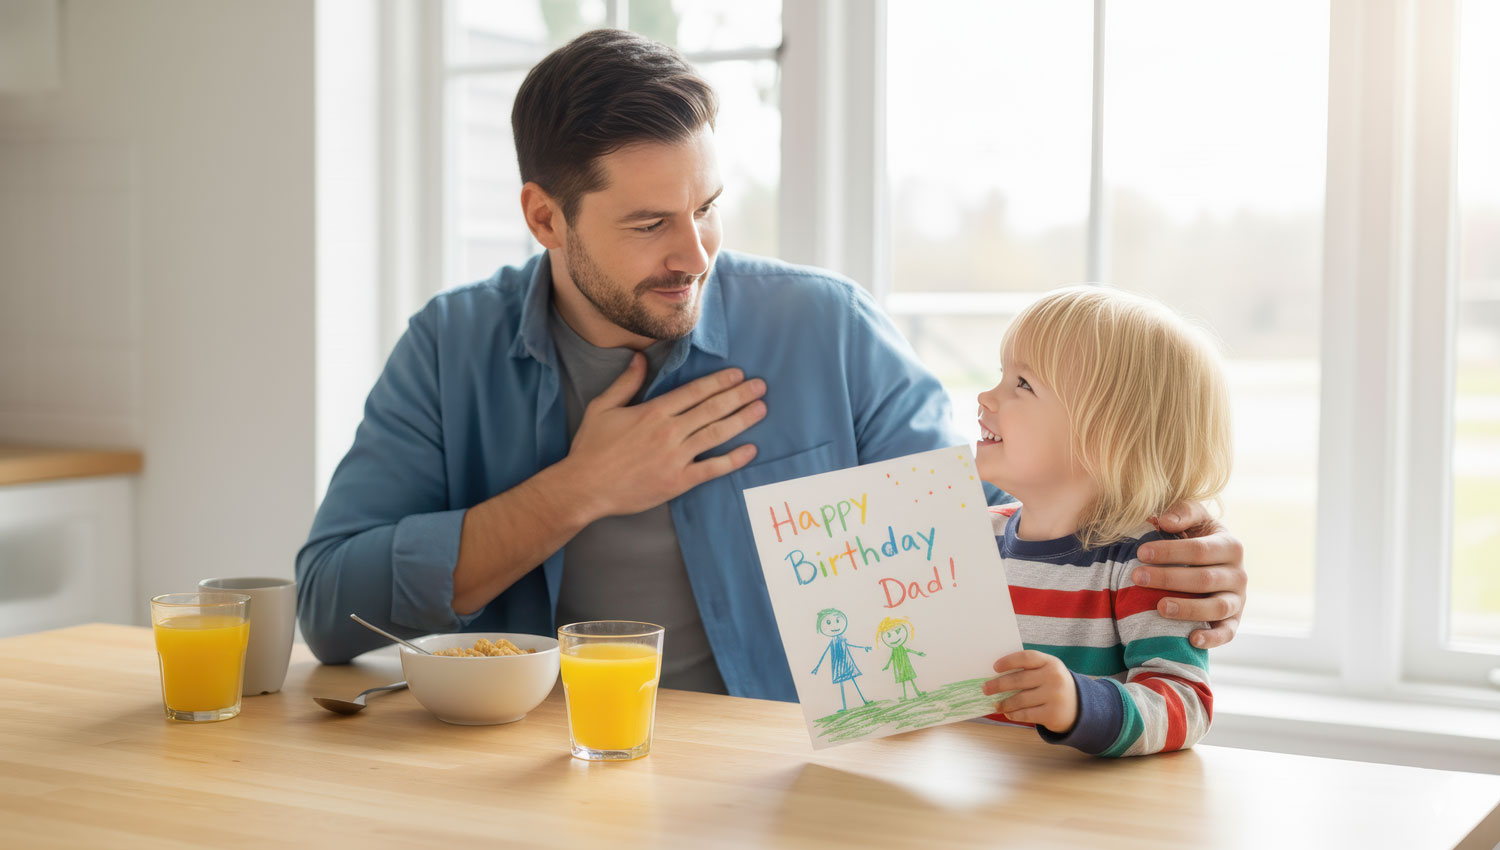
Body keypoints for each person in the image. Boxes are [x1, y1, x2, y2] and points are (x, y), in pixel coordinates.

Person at [295, 29, 1248, 703]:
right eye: (649, 223)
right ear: (545, 217)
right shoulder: (448, 347)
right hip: (532, 778)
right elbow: (331, 612)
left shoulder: (825, 328)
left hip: (784, 782)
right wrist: (576, 491)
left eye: (707, 205)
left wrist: (1157, 546)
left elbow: (996, 533)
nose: (696, 253)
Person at [976, 285, 1228, 757]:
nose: (986, 396)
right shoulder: (972, 537)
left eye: (1022, 384)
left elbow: (1185, 703)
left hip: (1081, 810)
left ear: (1105, 438)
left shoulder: (1144, 561)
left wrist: (1080, 705)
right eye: (1001, 375)